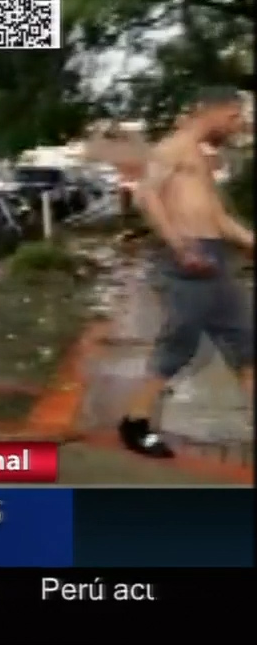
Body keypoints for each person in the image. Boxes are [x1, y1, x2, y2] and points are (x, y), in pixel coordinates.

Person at [118, 86, 254, 458]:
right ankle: (135, 423)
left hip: (213, 258)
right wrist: (179, 246)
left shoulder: (200, 157)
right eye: (234, 117)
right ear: (215, 111)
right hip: (186, 258)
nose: (237, 125)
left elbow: (219, 218)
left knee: (246, 340)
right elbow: (146, 195)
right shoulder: (172, 148)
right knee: (179, 344)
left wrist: (250, 241)